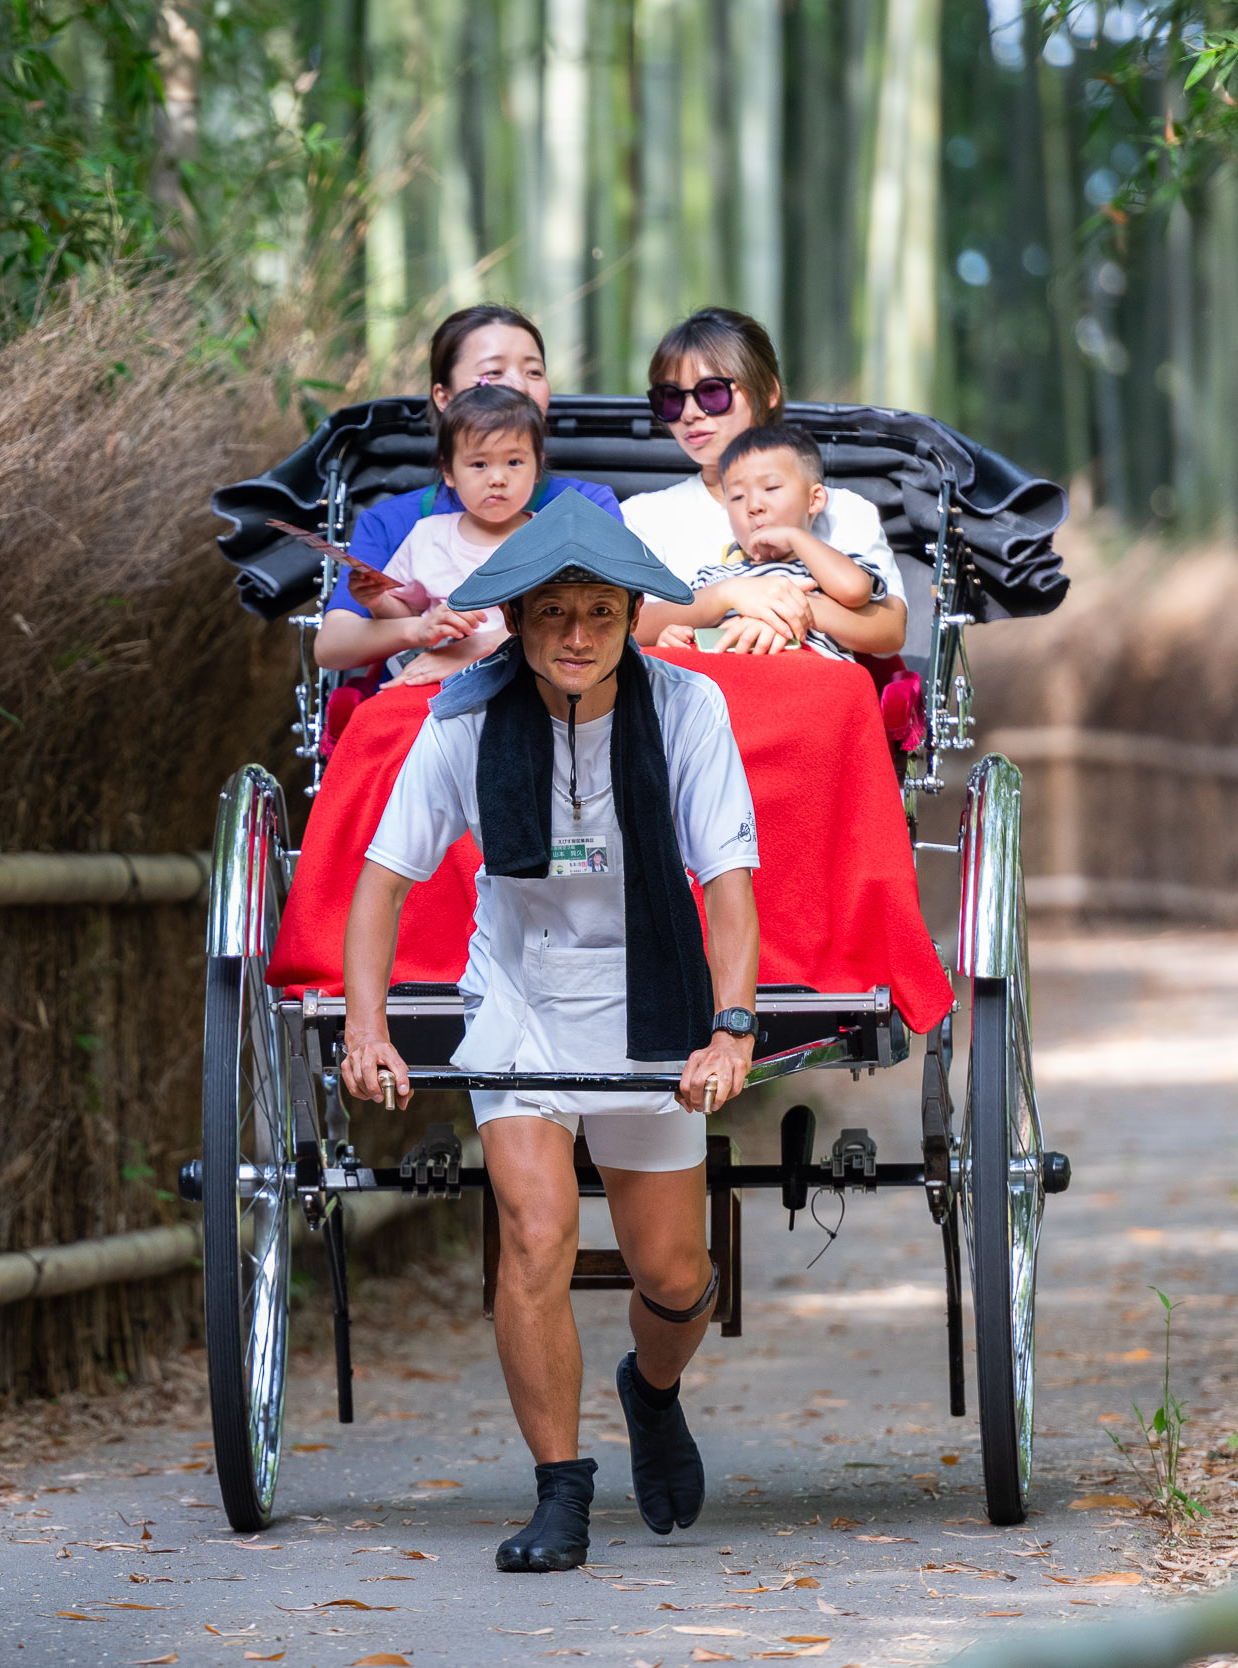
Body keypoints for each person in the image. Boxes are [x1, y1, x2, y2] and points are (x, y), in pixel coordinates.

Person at [339, 490, 763, 1574]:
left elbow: (724, 885)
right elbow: (383, 881)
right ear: (520, 618)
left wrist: (730, 1028)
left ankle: (653, 1390)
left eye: (600, 615)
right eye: (552, 615)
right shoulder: (465, 720)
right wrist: (368, 1026)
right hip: (519, 997)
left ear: (631, 616)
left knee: (671, 1271)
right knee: (534, 1236)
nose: (576, 637)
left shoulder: (686, 712)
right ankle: (559, 1493)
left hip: (654, 995)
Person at [314, 305, 622, 676]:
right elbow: (332, 647)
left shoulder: (584, 508)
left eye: (534, 371)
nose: (519, 385)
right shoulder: (393, 523)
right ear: (443, 397)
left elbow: (616, 618)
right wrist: (421, 629)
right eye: (493, 373)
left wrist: (485, 646)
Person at [620, 308, 904, 652]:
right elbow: (618, 624)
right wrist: (728, 594)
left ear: (768, 392)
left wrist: (794, 607)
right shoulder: (645, 515)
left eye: (712, 392)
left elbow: (890, 632)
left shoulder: (843, 509)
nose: (690, 414)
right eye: (671, 399)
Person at [650, 424, 908, 659]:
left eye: (771, 488)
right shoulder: (716, 576)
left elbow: (854, 591)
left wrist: (796, 538)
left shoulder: (825, 568)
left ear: (814, 499)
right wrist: (678, 635)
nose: (753, 506)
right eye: (738, 497)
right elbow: (667, 625)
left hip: (812, 677)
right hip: (734, 683)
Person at [358, 385, 544, 687]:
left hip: (527, 680)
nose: (498, 479)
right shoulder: (428, 536)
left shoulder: (552, 538)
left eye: (514, 462)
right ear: (449, 471)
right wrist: (377, 600)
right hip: (439, 677)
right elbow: (406, 612)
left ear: (537, 467)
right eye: (479, 464)